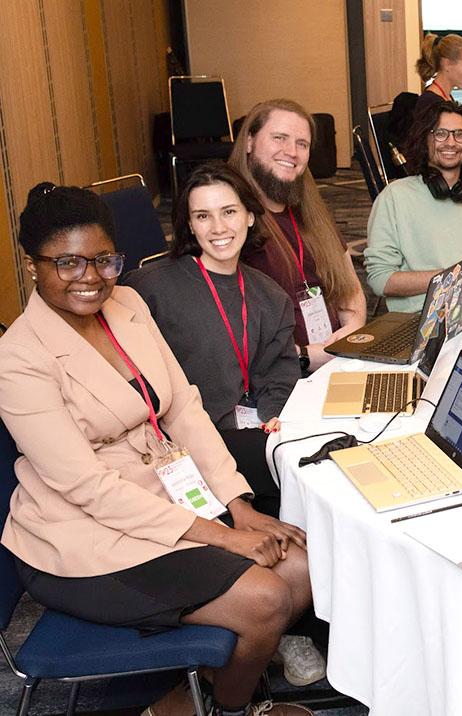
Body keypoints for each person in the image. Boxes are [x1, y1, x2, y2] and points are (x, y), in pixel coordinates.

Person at [0, 184, 314, 716]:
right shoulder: (19, 358)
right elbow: (88, 488)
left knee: (302, 569)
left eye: (103, 260)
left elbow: (183, 409)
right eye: (69, 263)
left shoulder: (127, 303)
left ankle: (193, 700)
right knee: (264, 599)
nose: (91, 278)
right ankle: (232, 708)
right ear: (34, 266)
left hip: (163, 494)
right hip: (83, 539)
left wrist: (238, 505)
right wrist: (225, 536)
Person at [125, 165, 298, 516]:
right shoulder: (149, 288)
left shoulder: (270, 296)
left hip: (247, 436)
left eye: (229, 212)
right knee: (299, 467)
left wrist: (273, 416)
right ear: (189, 225)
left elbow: (278, 373)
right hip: (182, 444)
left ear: (250, 216)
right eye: (203, 216)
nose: (218, 228)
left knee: (306, 456)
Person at [229, 98, 367, 372]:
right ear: (249, 142)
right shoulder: (231, 219)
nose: (291, 151)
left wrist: (352, 330)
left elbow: (348, 285)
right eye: (279, 138)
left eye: (302, 144)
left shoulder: (307, 206)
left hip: (336, 360)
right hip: (278, 376)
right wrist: (305, 356)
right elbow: (228, 333)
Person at [364, 101, 462, 313]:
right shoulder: (394, 197)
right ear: (425, 139)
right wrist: (457, 276)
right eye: (441, 134)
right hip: (421, 322)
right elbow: (380, 280)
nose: (451, 142)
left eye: (460, 134)